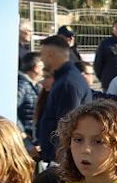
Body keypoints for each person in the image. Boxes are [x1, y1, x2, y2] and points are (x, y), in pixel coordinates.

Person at [35, 35, 92, 164]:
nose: (42, 59)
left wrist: (60, 161)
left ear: (50, 54)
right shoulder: (65, 79)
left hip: (60, 161)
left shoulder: (67, 83)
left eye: (42, 55)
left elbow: (67, 126)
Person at [94, 21, 117, 90]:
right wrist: (102, 78)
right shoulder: (105, 44)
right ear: (113, 30)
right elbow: (98, 63)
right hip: (109, 81)